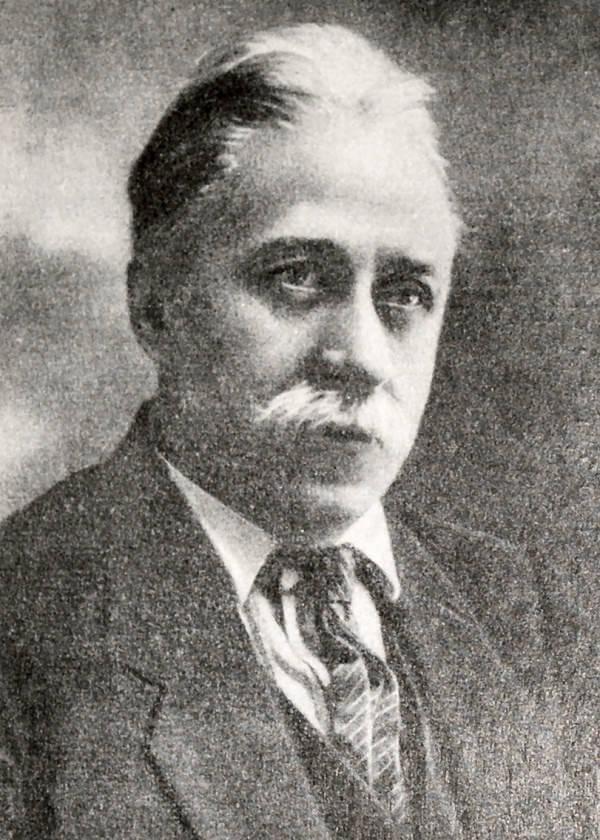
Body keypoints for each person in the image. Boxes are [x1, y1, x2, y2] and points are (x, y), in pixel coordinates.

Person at [0, 23, 591, 840]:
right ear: (156, 307)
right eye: (299, 278)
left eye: (406, 294)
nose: (363, 358)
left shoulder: (526, 612)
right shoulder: (22, 625)